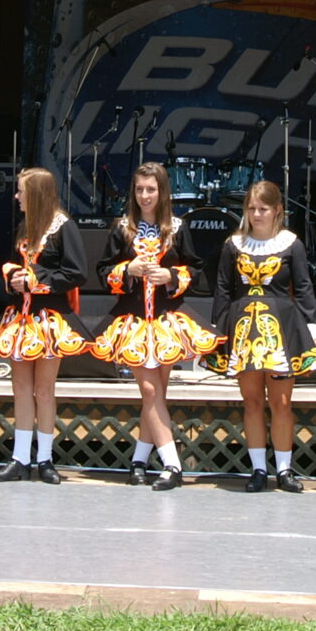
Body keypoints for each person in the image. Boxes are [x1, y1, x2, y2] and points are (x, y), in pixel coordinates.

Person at [91, 163, 219, 490]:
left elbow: (197, 270)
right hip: (133, 320)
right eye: (139, 190)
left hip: (166, 320)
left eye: (151, 189)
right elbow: (102, 271)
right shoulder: (121, 228)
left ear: (163, 192)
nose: (145, 196)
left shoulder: (177, 228)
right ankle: (173, 465)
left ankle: (138, 460)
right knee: (149, 390)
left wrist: (172, 276)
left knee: (156, 394)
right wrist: (127, 269)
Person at [207, 180, 316, 493]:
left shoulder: (291, 244)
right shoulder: (233, 245)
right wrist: (219, 330)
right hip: (244, 329)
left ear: (277, 210)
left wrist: (310, 327)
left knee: (282, 403)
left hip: (282, 329)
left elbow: (303, 287)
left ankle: (284, 469)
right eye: (251, 209)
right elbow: (223, 289)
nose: (256, 214)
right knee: (252, 401)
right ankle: (258, 468)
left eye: (263, 209)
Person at [0, 166, 89, 483]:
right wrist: (12, 278)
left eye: (21, 191)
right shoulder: (24, 227)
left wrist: (36, 280)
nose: (16, 196)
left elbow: (76, 273)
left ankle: (44, 459)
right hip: (21, 318)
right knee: (20, 388)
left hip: (48, 319)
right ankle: (19, 458)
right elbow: (13, 268)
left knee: (44, 390)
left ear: (37, 194)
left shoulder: (64, 227)